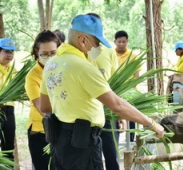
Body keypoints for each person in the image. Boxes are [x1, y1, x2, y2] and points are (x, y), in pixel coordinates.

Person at [40, 14, 164, 170]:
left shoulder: (51, 64)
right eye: (97, 42)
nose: (98, 48)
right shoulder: (83, 67)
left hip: (59, 141)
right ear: (83, 40)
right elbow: (117, 105)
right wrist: (152, 124)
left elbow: (44, 106)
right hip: (82, 143)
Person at [86, 12, 126, 170]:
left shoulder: (109, 52)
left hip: (108, 112)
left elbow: (116, 84)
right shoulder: (78, 54)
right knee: (89, 157)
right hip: (86, 113)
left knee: (111, 155)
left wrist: (120, 114)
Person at [25, 30, 61, 170]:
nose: (49, 57)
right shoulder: (32, 77)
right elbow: (43, 110)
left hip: (63, 130)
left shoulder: (64, 69)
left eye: (53, 53)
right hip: (41, 132)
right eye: (44, 54)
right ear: (36, 52)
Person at [114, 30, 140, 142]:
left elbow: (137, 75)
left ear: (127, 42)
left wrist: (131, 89)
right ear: (114, 41)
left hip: (130, 91)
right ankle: (115, 140)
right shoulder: (110, 55)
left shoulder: (133, 56)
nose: (121, 44)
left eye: (124, 42)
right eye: (119, 41)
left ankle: (131, 140)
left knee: (131, 115)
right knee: (115, 116)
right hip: (114, 91)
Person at [0, 38, 17, 160]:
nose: (9, 55)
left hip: (9, 111)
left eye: (11, 52)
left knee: (8, 148)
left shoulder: (13, 71)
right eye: (6, 51)